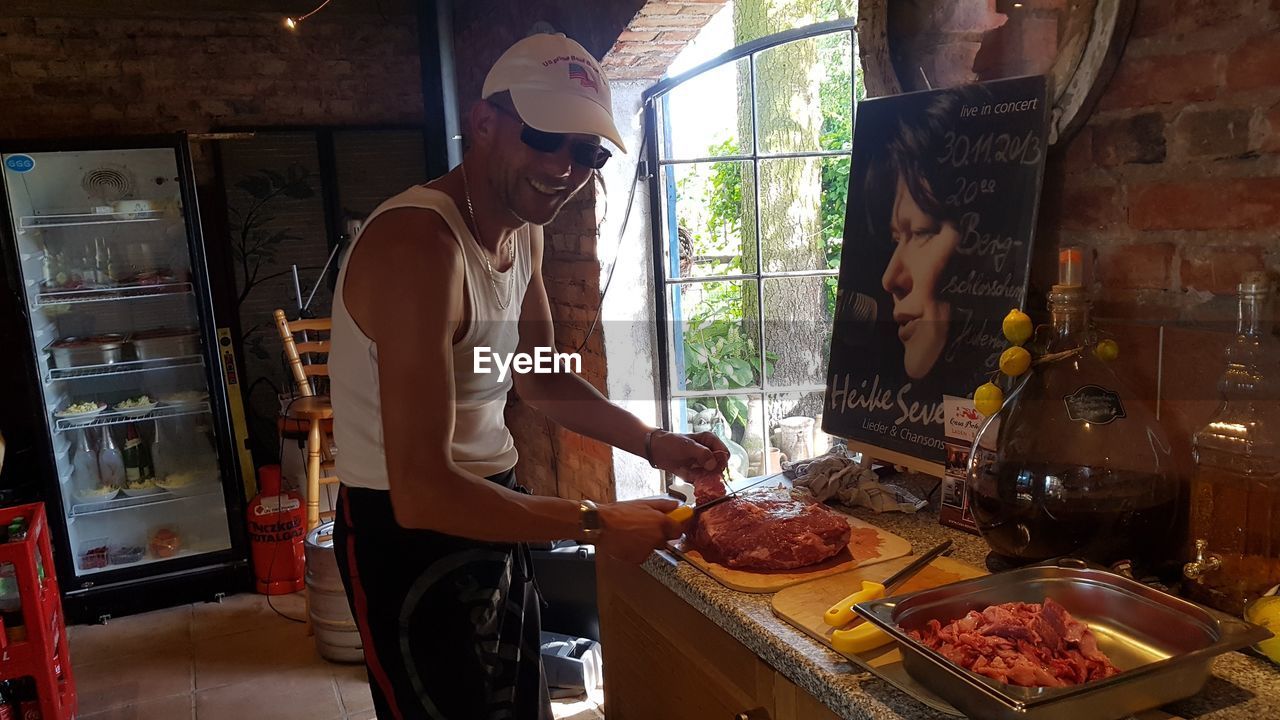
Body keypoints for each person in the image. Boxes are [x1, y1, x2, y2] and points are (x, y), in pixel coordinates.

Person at [328, 33, 728, 720]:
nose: (566, 166)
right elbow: (420, 494)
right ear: (483, 125)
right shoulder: (419, 245)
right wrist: (597, 521)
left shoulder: (523, 230)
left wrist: (654, 443)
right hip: (406, 531)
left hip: (493, 504)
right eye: (548, 136)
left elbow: (540, 378)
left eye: (588, 152)